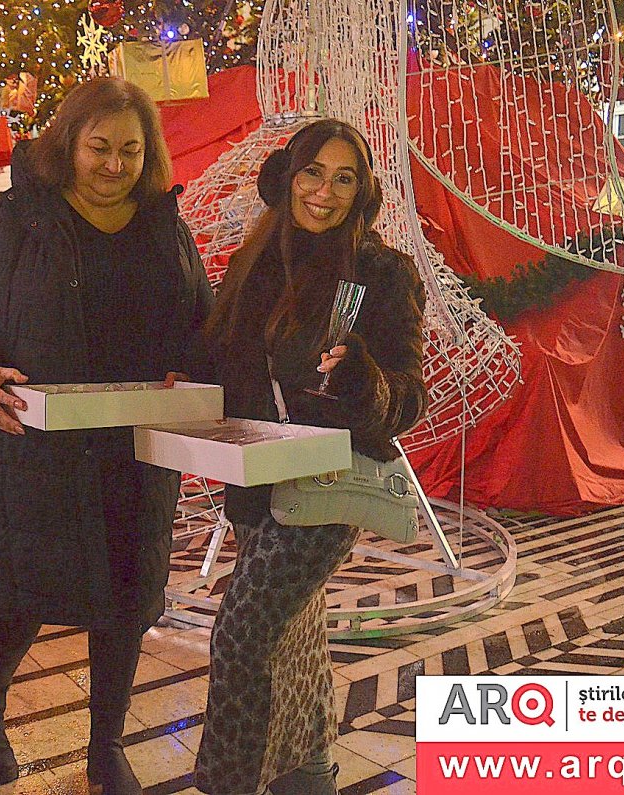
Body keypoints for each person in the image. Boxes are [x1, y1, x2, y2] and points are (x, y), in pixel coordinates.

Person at [0, 77, 214, 794]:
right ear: (68, 144)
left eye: (130, 150)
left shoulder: (163, 225)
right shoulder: (13, 220)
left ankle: (105, 745)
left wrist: (191, 368)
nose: (114, 164)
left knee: (126, 604)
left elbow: (200, 320)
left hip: (133, 451)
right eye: (99, 146)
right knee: (19, 602)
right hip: (33, 452)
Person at [194, 119, 429, 795]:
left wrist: (362, 378)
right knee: (292, 636)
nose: (324, 192)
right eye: (312, 172)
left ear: (362, 193)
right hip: (256, 479)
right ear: (287, 177)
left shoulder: (382, 275)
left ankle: (228, 783)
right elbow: (227, 364)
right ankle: (310, 774)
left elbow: (408, 396)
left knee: (242, 633)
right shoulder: (254, 266)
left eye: (344, 178)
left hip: (326, 485)